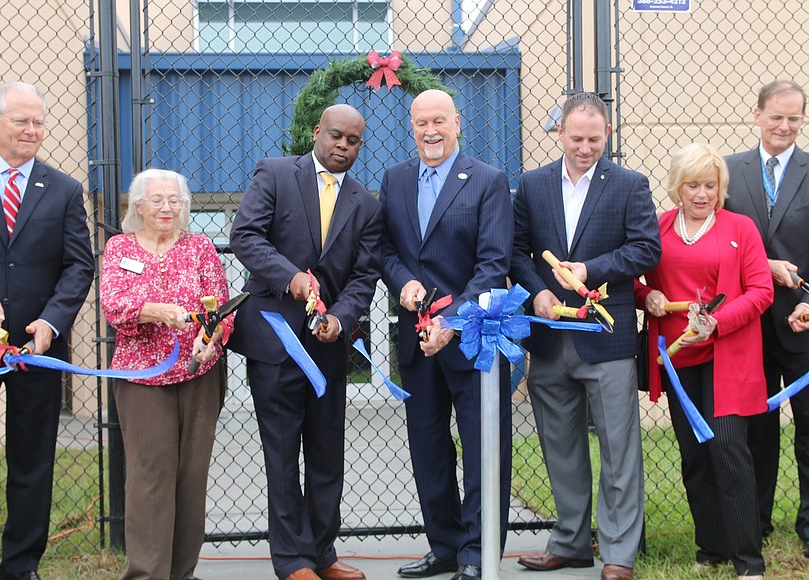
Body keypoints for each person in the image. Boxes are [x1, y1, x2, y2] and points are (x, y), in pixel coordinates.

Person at [227, 104, 381, 580]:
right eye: (336, 135)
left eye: (353, 141)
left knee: (326, 454)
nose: (342, 146)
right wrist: (289, 276)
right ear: (318, 132)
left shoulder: (366, 203)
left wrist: (341, 316)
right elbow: (245, 237)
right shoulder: (275, 174)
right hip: (273, 342)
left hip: (328, 346)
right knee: (281, 456)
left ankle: (322, 554)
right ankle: (292, 561)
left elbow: (364, 276)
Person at [511, 92, 660, 580]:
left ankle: (618, 553)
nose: (585, 147)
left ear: (607, 135)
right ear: (559, 134)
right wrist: (536, 294)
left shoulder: (630, 185)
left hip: (606, 337)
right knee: (560, 445)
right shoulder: (532, 186)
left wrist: (590, 269)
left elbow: (645, 250)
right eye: (576, 138)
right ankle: (571, 541)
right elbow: (515, 250)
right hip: (550, 336)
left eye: (595, 139)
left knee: (620, 449)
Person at [0, 82, 94, 579]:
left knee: (32, 461)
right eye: (21, 121)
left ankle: (21, 567)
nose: (32, 131)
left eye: (38, 122)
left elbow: (79, 266)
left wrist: (52, 321)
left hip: (36, 350)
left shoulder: (62, 190)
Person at [380, 89, 513, 580]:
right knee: (428, 447)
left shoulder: (487, 181)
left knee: (483, 448)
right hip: (416, 343)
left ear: (457, 122)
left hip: (473, 340)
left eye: (439, 120)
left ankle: (479, 554)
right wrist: (402, 282)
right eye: (421, 123)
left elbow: (493, 264)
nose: (430, 131)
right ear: (411, 127)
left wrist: (450, 322)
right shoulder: (394, 181)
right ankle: (445, 546)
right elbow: (385, 250)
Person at [636, 143, 772, 579]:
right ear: (678, 187)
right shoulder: (658, 228)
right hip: (678, 359)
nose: (702, 194)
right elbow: (634, 282)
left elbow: (761, 290)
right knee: (694, 456)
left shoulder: (741, 228)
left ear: (720, 188)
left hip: (726, 356)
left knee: (730, 450)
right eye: (693, 185)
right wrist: (648, 296)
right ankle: (710, 548)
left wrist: (719, 321)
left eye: (710, 185)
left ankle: (748, 561)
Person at [99, 169, 233, 579]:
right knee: (150, 476)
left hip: (198, 376)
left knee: (191, 478)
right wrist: (157, 311)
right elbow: (113, 305)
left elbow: (222, 308)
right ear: (138, 205)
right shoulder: (120, 247)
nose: (166, 208)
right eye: (156, 200)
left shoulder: (200, 248)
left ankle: (182, 573)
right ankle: (146, 574)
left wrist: (213, 337)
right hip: (142, 380)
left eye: (174, 200)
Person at [724, 79, 809, 553]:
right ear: (756, 114)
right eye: (776, 116)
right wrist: (764, 266)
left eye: (794, 118)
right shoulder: (730, 172)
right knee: (755, 430)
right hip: (747, 323)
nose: (784, 125)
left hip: (801, 322)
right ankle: (752, 523)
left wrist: (808, 304)